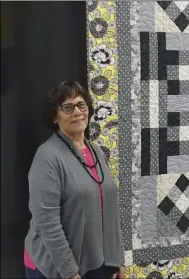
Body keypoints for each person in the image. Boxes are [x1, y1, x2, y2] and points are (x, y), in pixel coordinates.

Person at [23, 81, 125, 279]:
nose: (77, 112)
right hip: (55, 267)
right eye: (67, 107)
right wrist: (69, 272)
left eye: (81, 105)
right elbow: (47, 223)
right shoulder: (47, 157)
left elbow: (110, 211)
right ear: (54, 116)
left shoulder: (95, 151)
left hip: (95, 263)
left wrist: (117, 259)